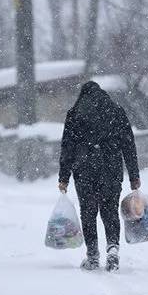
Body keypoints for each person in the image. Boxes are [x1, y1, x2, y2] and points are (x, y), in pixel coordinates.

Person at [58, 81, 140, 271]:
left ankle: (93, 256)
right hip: (111, 169)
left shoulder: (75, 113)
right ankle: (112, 250)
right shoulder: (116, 111)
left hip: (84, 169)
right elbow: (129, 145)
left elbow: (67, 148)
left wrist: (64, 177)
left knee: (88, 212)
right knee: (110, 211)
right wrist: (134, 175)